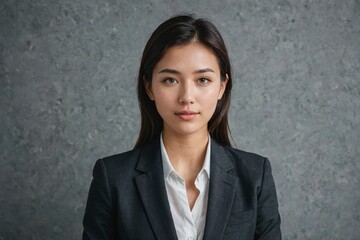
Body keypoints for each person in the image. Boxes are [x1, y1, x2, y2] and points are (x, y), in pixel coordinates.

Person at [82, 14, 281, 240]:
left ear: (222, 87)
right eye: (170, 80)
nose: (187, 97)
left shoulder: (255, 176)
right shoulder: (113, 179)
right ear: (149, 87)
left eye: (203, 80)